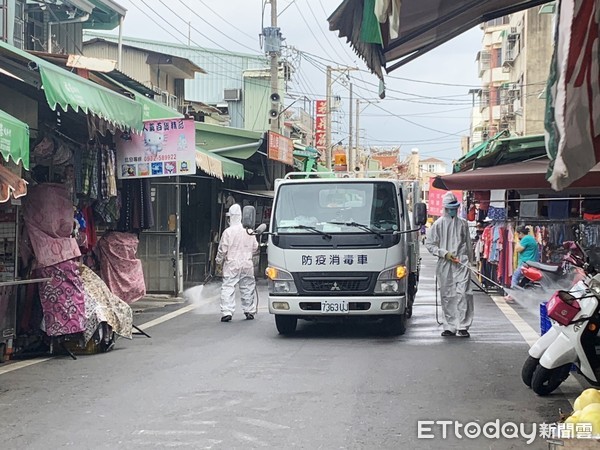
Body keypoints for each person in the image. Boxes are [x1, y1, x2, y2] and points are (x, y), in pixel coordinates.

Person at [425, 192, 474, 338]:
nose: (453, 210)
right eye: (450, 208)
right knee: (447, 295)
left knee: (464, 294)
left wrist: (469, 262)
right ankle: (450, 326)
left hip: (461, 262)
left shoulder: (463, 224)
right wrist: (443, 253)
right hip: (445, 263)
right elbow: (429, 244)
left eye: (455, 208)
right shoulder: (438, 224)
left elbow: (468, 244)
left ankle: (463, 326)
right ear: (445, 208)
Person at [215, 203, 259, 322]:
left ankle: (227, 312)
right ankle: (249, 310)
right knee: (248, 287)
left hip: (232, 264)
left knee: (228, 287)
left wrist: (218, 261)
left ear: (231, 217)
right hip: (246, 264)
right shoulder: (249, 230)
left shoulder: (228, 232)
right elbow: (255, 247)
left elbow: (222, 249)